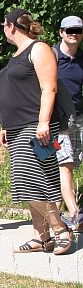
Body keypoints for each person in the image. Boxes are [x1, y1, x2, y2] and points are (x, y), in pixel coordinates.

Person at [0, 9, 72, 254]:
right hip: (16, 127)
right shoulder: (16, 55)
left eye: (3, 25)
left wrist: (43, 122)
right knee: (32, 182)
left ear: (11, 26)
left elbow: (49, 89)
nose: (3, 29)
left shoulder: (39, 49)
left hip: (35, 126)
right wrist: (5, 126)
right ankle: (41, 237)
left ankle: (60, 229)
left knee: (31, 180)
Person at [54, 15, 83, 229]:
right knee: (65, 164)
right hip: (56, 121)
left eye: (78, 30)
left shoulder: (82, 59)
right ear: (62, 32)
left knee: (71, 164)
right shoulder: (52, 57)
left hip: (79, 119)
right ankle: (75, 213)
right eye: (69, 30)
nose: (73, 34)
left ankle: (53, 216)